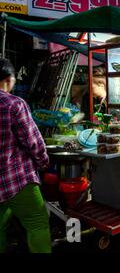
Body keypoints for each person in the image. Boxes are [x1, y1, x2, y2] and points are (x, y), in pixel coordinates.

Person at [0, 58, 51, 253]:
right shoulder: (13, 104)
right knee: (37, 222)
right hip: (15, 178)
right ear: (9, 79)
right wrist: (43, 162)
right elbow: (33, 142)